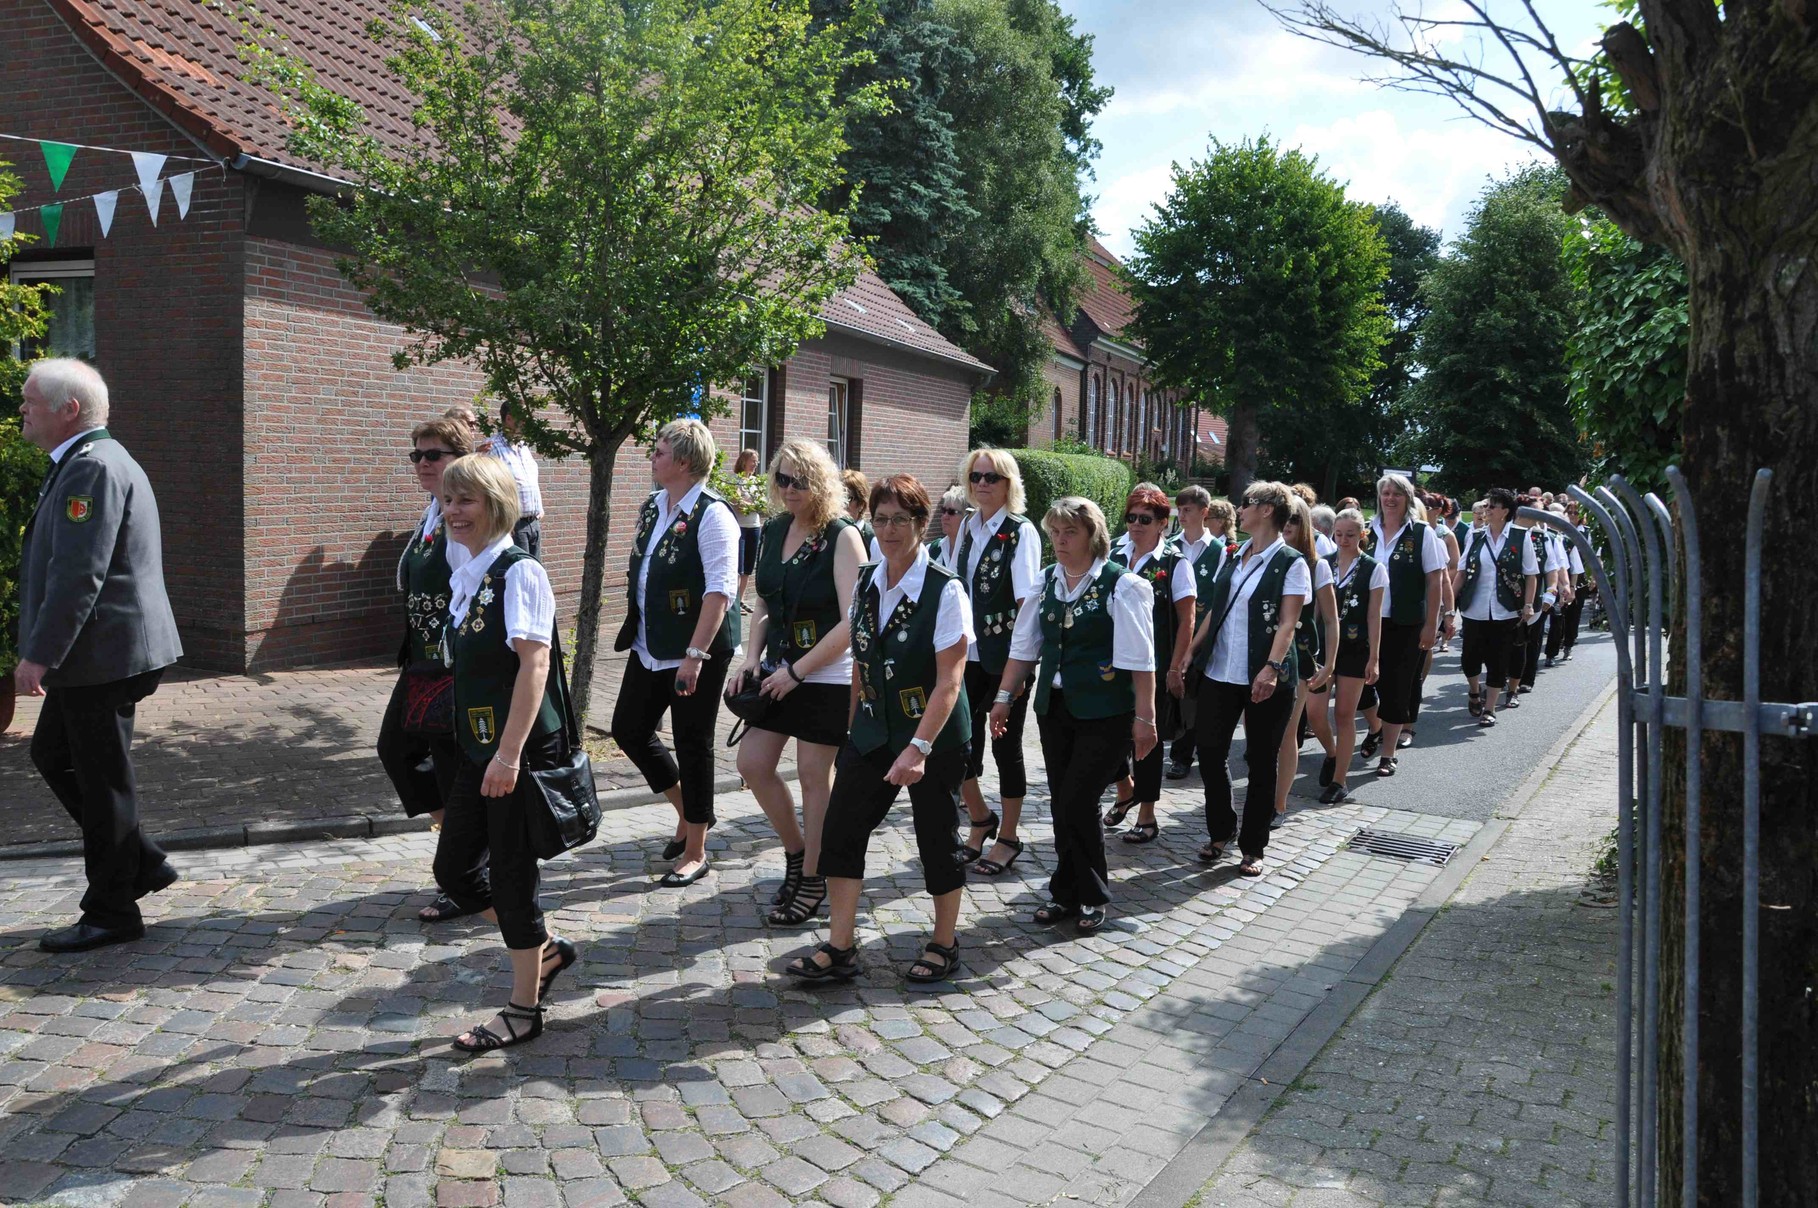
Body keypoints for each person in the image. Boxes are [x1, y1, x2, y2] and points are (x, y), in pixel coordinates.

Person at [17, 359, 184, 953]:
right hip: (102, 652)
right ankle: (138, 864)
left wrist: (38, 655)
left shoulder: (90, 468)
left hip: (100, 655)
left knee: (102, 779)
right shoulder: (87, 463)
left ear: (68, 410)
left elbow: (77, 574)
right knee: (55, 754)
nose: (22, 410)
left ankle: (113, 910)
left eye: (31, 401)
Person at [785, 475, 973, 983]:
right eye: (882, 519)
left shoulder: (944, 589)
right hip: (870, 731)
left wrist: (918, 748)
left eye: (901, 520)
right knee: (842, 832)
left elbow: (949, 681)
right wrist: (851, 730)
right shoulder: (867, 579)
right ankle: (840, 947)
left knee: (937, 837)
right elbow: (861, 663)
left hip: (931, 738)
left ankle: (944, 941)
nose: (889, 530)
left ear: (920, 522)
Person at [432, 454, 577, 1051]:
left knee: (513, 880)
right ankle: (542, 952)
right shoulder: (468, 569)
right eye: (447, 499)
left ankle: (524, 1008)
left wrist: (510, 755)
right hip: (479, 746)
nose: (453, 511)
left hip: (516, 751)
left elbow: (534, 665)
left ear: (495, 504)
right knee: (456, 872)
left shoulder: (519, 572)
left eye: (466, 500)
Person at [989, 497, 1155, 932]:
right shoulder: (1046, 582)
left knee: (1076, 801)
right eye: (1055, 533)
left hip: (1106, 711)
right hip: (1055, 708)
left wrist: (1146, 717)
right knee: (1067, 802)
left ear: (1092, 536)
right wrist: (1004, 696)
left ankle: (1093, 894)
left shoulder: (1122, 584)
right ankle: (1067, 892)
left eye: (1071, 533)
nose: (1061, 541)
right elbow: (1024, 649)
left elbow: (1141, 659)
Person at [735, 440, 865, 926]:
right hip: (778, 669)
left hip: (825, 673)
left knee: (814, 776)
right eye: (783, 479)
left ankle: (813, 878)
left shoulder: (841, 535)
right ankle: (797, 852)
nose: (789, 489)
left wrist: (799, 671)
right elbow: (765, 603)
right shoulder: (773, 530)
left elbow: (852, 619)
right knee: (752, 763)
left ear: (822, 482)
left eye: (800, 481)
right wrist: (752, 658)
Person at [610, 419, 739, 887]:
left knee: (692, 743)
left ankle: (697, 849)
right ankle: (690, 811)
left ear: (684, 462)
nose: (652, 457)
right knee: (629, 728)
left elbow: (720, 592)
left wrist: (695, 655)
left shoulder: (713, 514)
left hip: (694, 651)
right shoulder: (653, 505)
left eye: (660, 451)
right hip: (649, 643)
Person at [374, 416, 482, 924]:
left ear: (460, 458)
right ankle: (461, 854)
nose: (422, 464)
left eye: (433, 455)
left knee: (451, 767)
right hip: (421, 661)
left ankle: (465, 872)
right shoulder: (432, 511)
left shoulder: (465, 519)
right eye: (416, 455)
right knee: (398, 750)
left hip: (452, 666)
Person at [1186, 481, 1309, 877]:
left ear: (1268, 510)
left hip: (1266, 675)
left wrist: (1271, 668)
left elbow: (1289, 622)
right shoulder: (1234, 554)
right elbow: (1214, 609)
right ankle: (1221, 829)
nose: (1240, 509)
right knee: (1208, 750)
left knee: (1260, 760)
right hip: (1221, 671)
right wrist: (1191, 649)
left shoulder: (1292, 562)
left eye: (1246, 503)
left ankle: (1253, 846)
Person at [952, 449, 1043, 877]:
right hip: (966, 654)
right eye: (976, 476)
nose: (982, 483)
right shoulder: (968, 527)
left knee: (1006, 747)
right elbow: (954, 590)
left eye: (991, 477)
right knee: (957, 743)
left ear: (1008, 483)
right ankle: (979, 817)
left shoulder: (1020, 532)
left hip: (1006, 657)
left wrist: (1018, 672)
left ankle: (1007, 835)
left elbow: (1027, 604)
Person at [1100, 484, 1194, 843]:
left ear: (1162, 523)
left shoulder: (1175, 562)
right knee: (1107, 736)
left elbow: (1186, 619)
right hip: (1112, 665)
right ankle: (1125, 789)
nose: (1136, 524)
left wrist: (1175, 667)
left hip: (1151, 666)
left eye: (1145, 518)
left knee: (1146, 742)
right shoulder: (1114, 556)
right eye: (1131, 517)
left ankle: (1147, 814)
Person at [1365, 474, 1445, 775]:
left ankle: (1388, 753)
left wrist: (1431, 624)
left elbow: (1435, 581)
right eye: (1385, 493)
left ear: (1407, 498)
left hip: (1406, 622)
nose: (1390, 498)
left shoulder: (1423, 534)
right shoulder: (1367, 532)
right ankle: (1376, 727)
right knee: (1364, 685)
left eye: (1396, 493)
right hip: (1368, 623)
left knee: (1397, 686)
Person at [1310, 510, 1385, 802]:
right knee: (1315, 713)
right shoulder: (1323, 564)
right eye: (1338, 534)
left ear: (1361, 535)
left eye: (1350, 535)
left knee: (1344, 714)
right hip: (1324, 647)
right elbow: (1316, 608)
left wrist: (1374, 657)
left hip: (1355, 648)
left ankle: (1340, 780)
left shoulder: (1372, 568)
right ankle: (1331, 753)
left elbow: (1373, 616)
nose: (1342, 540)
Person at [1275, 498, 1337, 825]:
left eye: (1295, 521)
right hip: (1261, 657)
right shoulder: (1263, 558)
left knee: (1287, 731)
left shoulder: (1317, 565)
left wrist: (1328, 664)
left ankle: (1279, 804)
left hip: (1298, 659)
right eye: (1284, 520)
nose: (1287, 527)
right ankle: (1265, 792)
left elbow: (1330, 619)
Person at [1455, 487, 1538, 728]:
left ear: (1505, 512)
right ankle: (1473, 691)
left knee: (1498, 659)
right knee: (1469, 659)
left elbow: (1531, 575)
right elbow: (1461, 572)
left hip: (1505, 610)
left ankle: (1489, 708)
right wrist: (1448, 603)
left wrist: (1528, 605)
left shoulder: (1521, 537)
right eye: (1487, 506)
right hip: (1474, 608)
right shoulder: (1476, 536)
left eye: (1492, 506)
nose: (1486, 510)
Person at [1166, 486, 1229, 780]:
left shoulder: (1219, 551)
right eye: (1179, 510)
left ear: (1204, 512)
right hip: (1173, 628)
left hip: (1202, 632)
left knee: (1193, 695)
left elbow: (1219, 597)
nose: (1182, 516)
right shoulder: (1170, 546)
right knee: (1172, 691)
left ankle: (1183, 755)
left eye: (1188, 510)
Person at [484, 400, 545, 558]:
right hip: (513, 526)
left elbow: (530, 479)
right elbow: (487, 488)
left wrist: (539, 507)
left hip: (533, 523)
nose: (527, 422)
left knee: (534, 575)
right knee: (519, 572)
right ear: (509, 419)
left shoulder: (524, 446)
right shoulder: (493, 447)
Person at [730, 448, 766, 612]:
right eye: (753, 461)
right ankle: (734, 601)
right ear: (744, 461)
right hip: (740, 527)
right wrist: (754, 505)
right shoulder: (736, 481)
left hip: (754, 526)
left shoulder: (756, 483)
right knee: (738, 566)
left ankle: (742, 599)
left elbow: (763, 504)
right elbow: (737, 503)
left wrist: (752, 505)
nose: (755, 464)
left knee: (748, 567)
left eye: (757, 461)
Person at [929, 485, 968, 572]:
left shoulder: (973, 552)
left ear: (966, 517)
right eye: (943, 511)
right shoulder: (933, 549)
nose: (944, 517)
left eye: (951, 512)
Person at [842, 469, 877, 557]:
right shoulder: (828, 534)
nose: (841, 504)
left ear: (861, 503)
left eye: (847, 498)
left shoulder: (872, 540)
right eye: (838, 497)